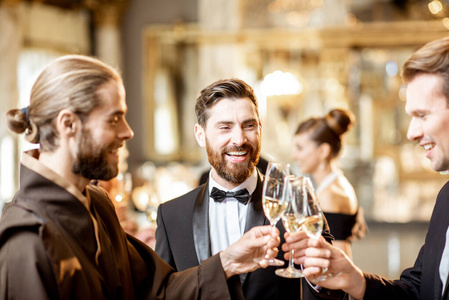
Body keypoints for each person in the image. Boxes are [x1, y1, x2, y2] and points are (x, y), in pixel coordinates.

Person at [0, 55, 281, 300]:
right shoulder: (26, 242)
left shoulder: (97, 203)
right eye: (114, 119)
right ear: (68, 124)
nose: (127, 132)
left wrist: (228, 261)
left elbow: (157, 291)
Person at [155, 78, 345, 300]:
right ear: (200, 135)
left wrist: (317, 275)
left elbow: (333, 292)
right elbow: (162, 294)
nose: (239, 139)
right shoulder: (171, 216)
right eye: (225, 127)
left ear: (260, 129)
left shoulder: (295, 199)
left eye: (249, 125)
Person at [293, 36, 449, 300]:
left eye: (422, 115)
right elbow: (417, 292)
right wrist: (355, 280)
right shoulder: (446, 198)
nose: (411, 132)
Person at [292, 108, 366, 259]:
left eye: (300, 148)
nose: (294, 155)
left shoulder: (330, 194)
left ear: (323, 151)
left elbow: (339, 256)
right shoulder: (336, 184)